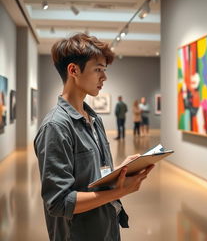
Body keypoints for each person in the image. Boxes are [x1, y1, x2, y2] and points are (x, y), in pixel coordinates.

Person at [33, 33, 154, 241]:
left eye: (104, 71)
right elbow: (60, 202)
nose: (104, 77)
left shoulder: (93, 118)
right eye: (98, 69)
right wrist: (119, 192)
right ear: (73, 70)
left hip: (106, 227)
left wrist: (119, 172)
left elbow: (93, 177)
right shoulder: (55, 127)